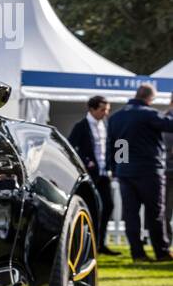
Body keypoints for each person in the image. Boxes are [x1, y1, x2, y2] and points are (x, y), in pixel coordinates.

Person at [106, 82, 173, 262]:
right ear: (150, 98)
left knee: (131, 214)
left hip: (125, 172)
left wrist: (116, 169)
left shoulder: (115, 117)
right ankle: (161, 251)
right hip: (149, 170)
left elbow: (114, 146)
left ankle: (138, 253)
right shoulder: (149, 114)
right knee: (155, 213)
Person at [68, 95, 118, 255]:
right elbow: (70, 148)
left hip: (104, 174)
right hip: (90, 176)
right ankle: (89, 245)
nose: (105, 113)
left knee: (108, 206)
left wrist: (115, 166)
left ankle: (100, 244)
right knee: (94, 208)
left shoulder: (106, 125)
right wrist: (86, 161)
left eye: (107, 110)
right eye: (103, 110)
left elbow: (115, 146)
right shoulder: (81, 126)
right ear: (92, 109)